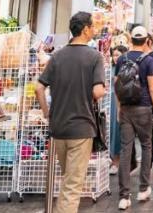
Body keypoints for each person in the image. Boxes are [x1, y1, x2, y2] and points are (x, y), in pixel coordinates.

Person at [35, 12, 107, 213]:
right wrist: (104, 88)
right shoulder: (94, 57)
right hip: (81, 128)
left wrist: (46, 112)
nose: (94, 30)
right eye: (92, 27)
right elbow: (97, 91)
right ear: (85, 29)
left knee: (68, 179)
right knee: (72, 185)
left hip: (58, 128)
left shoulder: (57, 55)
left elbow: (39, 87)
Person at [115, 25, 153, 209]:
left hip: (126, 108)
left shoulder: (122, 58)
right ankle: (143, 189)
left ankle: (124, 196)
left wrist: (120, 107)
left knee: (126, 150)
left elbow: (116, 85)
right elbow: (152, 87)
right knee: (146, 146)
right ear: (146, 41)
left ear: (131, 40)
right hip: (143, 108)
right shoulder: (149, 60)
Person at [110, 44, 128, 177]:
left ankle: (119, 161)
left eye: (118, 55)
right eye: (114, 55)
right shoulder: (109, 69)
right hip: (110, 104)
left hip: (122, 103)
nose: (115, 58)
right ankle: (113, 160)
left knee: (120, 132)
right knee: (111, 132)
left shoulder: (126, 69)